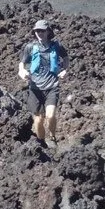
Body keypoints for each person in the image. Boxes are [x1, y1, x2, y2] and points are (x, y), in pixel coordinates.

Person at [18, 19, 68, 147]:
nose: (39, 33)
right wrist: (22, 71)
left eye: (42, 31)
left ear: (47, 32)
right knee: (39, 120)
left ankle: (52, 136)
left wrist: (65, 70)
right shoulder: (30, 47)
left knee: (50, 116)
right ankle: (42, 143)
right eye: (36, 31)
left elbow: (66, 58)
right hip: (35, 88)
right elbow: (22, 63)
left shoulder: (56, 46)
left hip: (52, 87)